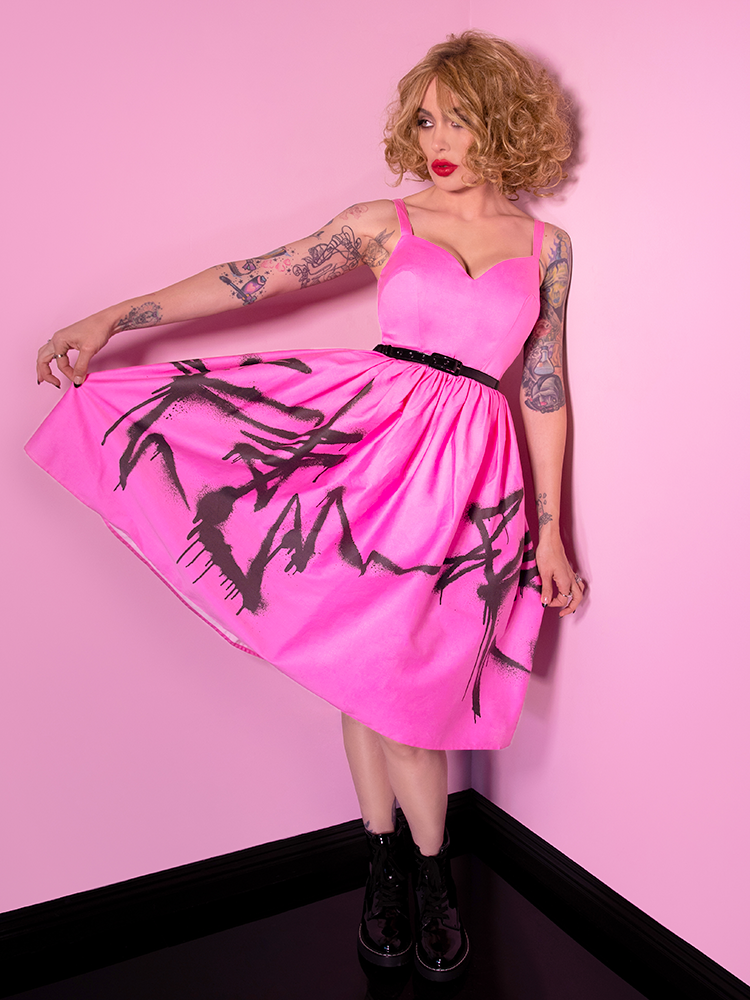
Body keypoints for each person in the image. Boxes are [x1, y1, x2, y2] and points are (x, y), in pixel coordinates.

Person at [29, 30, 584, 982]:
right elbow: (251, 278)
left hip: (468, 481)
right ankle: (394, 868)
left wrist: (548, 528)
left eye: (458, 118)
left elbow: (544, 388)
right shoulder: (383, 223)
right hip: (366, 456)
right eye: (424, 120)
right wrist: (115, 315)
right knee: (363, 670)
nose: (437, 140)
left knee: (404, 689)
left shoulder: (547, 249)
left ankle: (430, 873)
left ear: (503, 120)